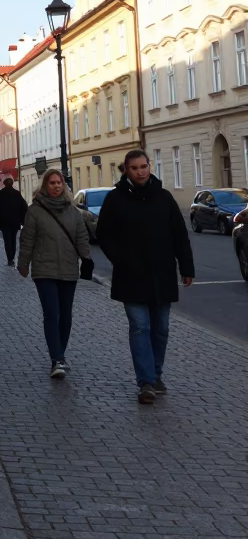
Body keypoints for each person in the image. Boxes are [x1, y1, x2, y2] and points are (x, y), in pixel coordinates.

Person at [95, 149, 194, 405]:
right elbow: (104, 235)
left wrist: (187, 267)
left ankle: (156, 374)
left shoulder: (164, 197)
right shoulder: (115, 200)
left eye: (143, 166)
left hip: (161, 274)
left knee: (160, 329)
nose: (140, 171)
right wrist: (121, 259)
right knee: (140, 327)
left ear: (149, 167)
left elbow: (179, 235)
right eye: (134, 168)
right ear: (126, 171)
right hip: (131, 276)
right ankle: (146, 382)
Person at [17, 169, 89, 379]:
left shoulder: (73, 212)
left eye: (59, 183)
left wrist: (87, 260)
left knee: (66, 316)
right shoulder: (35, 211)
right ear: (44, 186)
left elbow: (81, 237)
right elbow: (27, 239)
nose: (56, 186)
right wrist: (23, 263)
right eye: (52, 183)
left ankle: (60, 353)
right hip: (44, 270)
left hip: (68, 269)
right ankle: (56, 359)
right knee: (52, 314)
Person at [0, 176, 28, 266]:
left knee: (7, 240)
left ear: (4, 184)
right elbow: (24, 207)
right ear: (12, 184)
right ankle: (12, 257)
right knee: (13, 239)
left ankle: (10, 258)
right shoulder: (17, 194)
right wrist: (22, 219)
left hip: (4, 221)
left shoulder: (0, 194)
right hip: (15, 221)